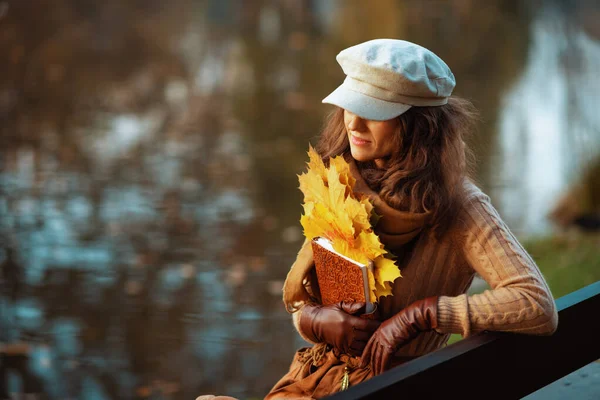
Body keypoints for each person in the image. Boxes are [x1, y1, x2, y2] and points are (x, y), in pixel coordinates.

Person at [265, 39, 558, 399]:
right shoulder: (340, 184)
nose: (353, 123)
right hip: (313, 379)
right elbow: (303, 301)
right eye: (349, 105)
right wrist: (315, 321)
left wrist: (421, 315)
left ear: (418, 125)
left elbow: (535, 304)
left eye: (373, 111)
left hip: (393, 387)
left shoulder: (459, 206)